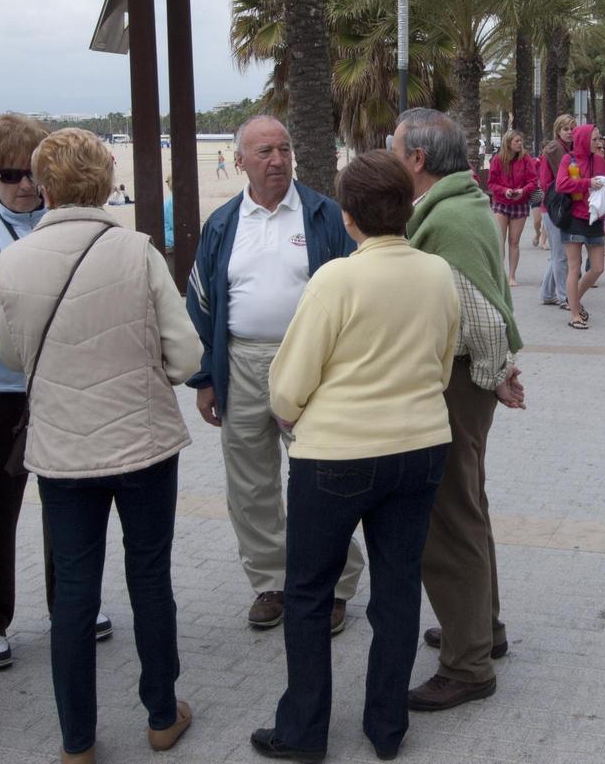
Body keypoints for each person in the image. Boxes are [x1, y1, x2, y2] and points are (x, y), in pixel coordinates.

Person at [0, 128, 202, 764]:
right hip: (142, 444)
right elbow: (187, 354)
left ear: (46, 186)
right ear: (105, 182)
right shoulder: (136, 252)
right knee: (149, 578)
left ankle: (76, 740)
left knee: (75, 592)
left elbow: (9, 353)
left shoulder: (16, 260)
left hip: (61, 450)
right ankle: (162, 715)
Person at [250, 151, 459, 762]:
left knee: (309, 592)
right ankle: (387, 724)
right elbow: (442, 363)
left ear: (348, 217)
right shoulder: (437, 274)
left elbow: (289, 383)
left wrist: (291, 414)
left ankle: (304, 730)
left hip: (337, 455)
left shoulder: (336, 278)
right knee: (398, 588)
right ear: (407, 206)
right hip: (420, 446)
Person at [186, 116, 365, 630]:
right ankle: (271, 582)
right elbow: (200, 305)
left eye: (284, 149)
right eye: (264, 151)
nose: (277, 160)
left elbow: (353, 288)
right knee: (250, 482)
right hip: (239, 363)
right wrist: (204, 378)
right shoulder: (222, 224)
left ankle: (334, 583)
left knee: (322, 478)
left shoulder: (322, 214)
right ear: (239, 160)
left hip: (309, 365)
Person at [0, 113, 114, 672]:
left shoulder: (64, 224)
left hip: (60, 386)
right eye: (11, 173)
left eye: (32, 173)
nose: (25, 185)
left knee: (70, 503)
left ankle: (72, 605)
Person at [389, 107, 525, 712]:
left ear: (417, 159)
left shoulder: (447, 219)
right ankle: (479, 629)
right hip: (467, 383)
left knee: (449, 521)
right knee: (467, 507)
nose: (391, 158)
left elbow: (481, 315)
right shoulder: (460, 205)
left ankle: (468, 665)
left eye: (394, 150)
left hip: (456, 385)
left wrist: (495, 377)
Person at [556, 123, 605, 327]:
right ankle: (574, 314)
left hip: (595, 218)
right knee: (575, 266)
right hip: (573, 218)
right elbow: (561, 184)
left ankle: (574, 301)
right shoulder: (568, 159)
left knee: (598, 268)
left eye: (600, 139)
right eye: (595, 139)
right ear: (582, 140)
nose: (599, 143)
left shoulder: (599, 159)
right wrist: (586, 182)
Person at [487, 130, 537, 287]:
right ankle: (498, 274)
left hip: (520, 203)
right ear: (508, 142)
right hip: (501, 203)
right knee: (499, 240)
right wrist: (504, 191)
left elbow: (533, 181)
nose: (520, 143)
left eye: (521, 141)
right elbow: (491, 183)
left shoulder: (526, 159)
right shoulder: (497, 159)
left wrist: (523, 191)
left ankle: (512, 276)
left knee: (514, 241)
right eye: (517, 141)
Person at [537, 114, 576, 308]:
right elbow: (544, 182)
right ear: (558, 130)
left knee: (556, 254)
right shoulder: (553, 150)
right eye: (565, 129)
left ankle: (547, 293)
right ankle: (563, 296)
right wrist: (566, 186)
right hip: (554, 206)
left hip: (561, 205)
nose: (569, 132)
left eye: (572, 128)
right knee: (561, 254)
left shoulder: (571, 149)